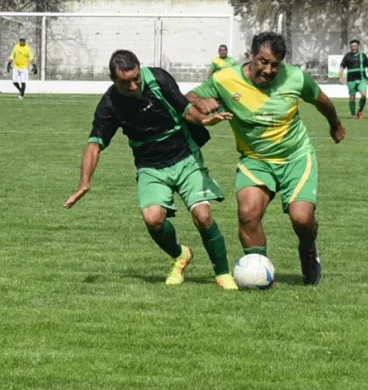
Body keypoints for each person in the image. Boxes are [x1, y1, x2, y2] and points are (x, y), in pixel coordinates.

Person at [64, 49, 239, 290]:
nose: (134, 86)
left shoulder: (158, 79)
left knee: (203, 215)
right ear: (113, 79)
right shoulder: (110, 104)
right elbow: (95, 144)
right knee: (153, 219)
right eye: (126, 83)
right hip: (150, 166)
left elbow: (186, 109)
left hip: (185, 157)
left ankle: (222, 273)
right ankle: (181, 255)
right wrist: (84, 182)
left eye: (136, 78)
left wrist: (203, 120)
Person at [187, 31, 345, 286]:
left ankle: (308, 250)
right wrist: (200, 102)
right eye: (263, 61)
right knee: (248, 213)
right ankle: (258, 272)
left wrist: (335, 124)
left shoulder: (295, 78)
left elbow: (322, 100)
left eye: (275, 64)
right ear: (251, 56)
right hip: (255, 160)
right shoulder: (225, 79)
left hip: (296, 157)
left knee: (302, 219)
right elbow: (189, 98)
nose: (269, 70)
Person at [339, 39, 368, 119]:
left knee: (364, 95)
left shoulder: (363, 55)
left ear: (358, 46)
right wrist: (340, 77)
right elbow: (342, 67)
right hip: (351, 80)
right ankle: (353, 114)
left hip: (362, 79)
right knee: (352, 98)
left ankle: (360, 111)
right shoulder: (347, 56)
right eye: (351, 46)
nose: (353, 48)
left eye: (354, 46)